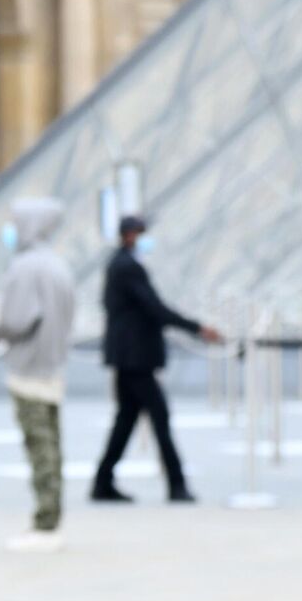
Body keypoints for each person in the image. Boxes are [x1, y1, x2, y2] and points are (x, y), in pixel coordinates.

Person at [91, 215, 222, 503]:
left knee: (126, 419)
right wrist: (197, 327)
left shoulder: (119, 264)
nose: (144, 238)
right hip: (135, 357)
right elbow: (155, 308)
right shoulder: (128, 267)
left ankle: (103, 481)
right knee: (159, 416)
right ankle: (176, 484)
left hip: (128, 357)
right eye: (140, 233)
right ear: (128, 235)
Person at [0, 198, 77, 551]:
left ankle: (45, 520)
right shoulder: (58, 266)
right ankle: (52, 513)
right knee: (52, 443)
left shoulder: (25, 267)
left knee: (39, 444)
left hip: (29, 366)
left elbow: (17, 319)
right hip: (53, 364)